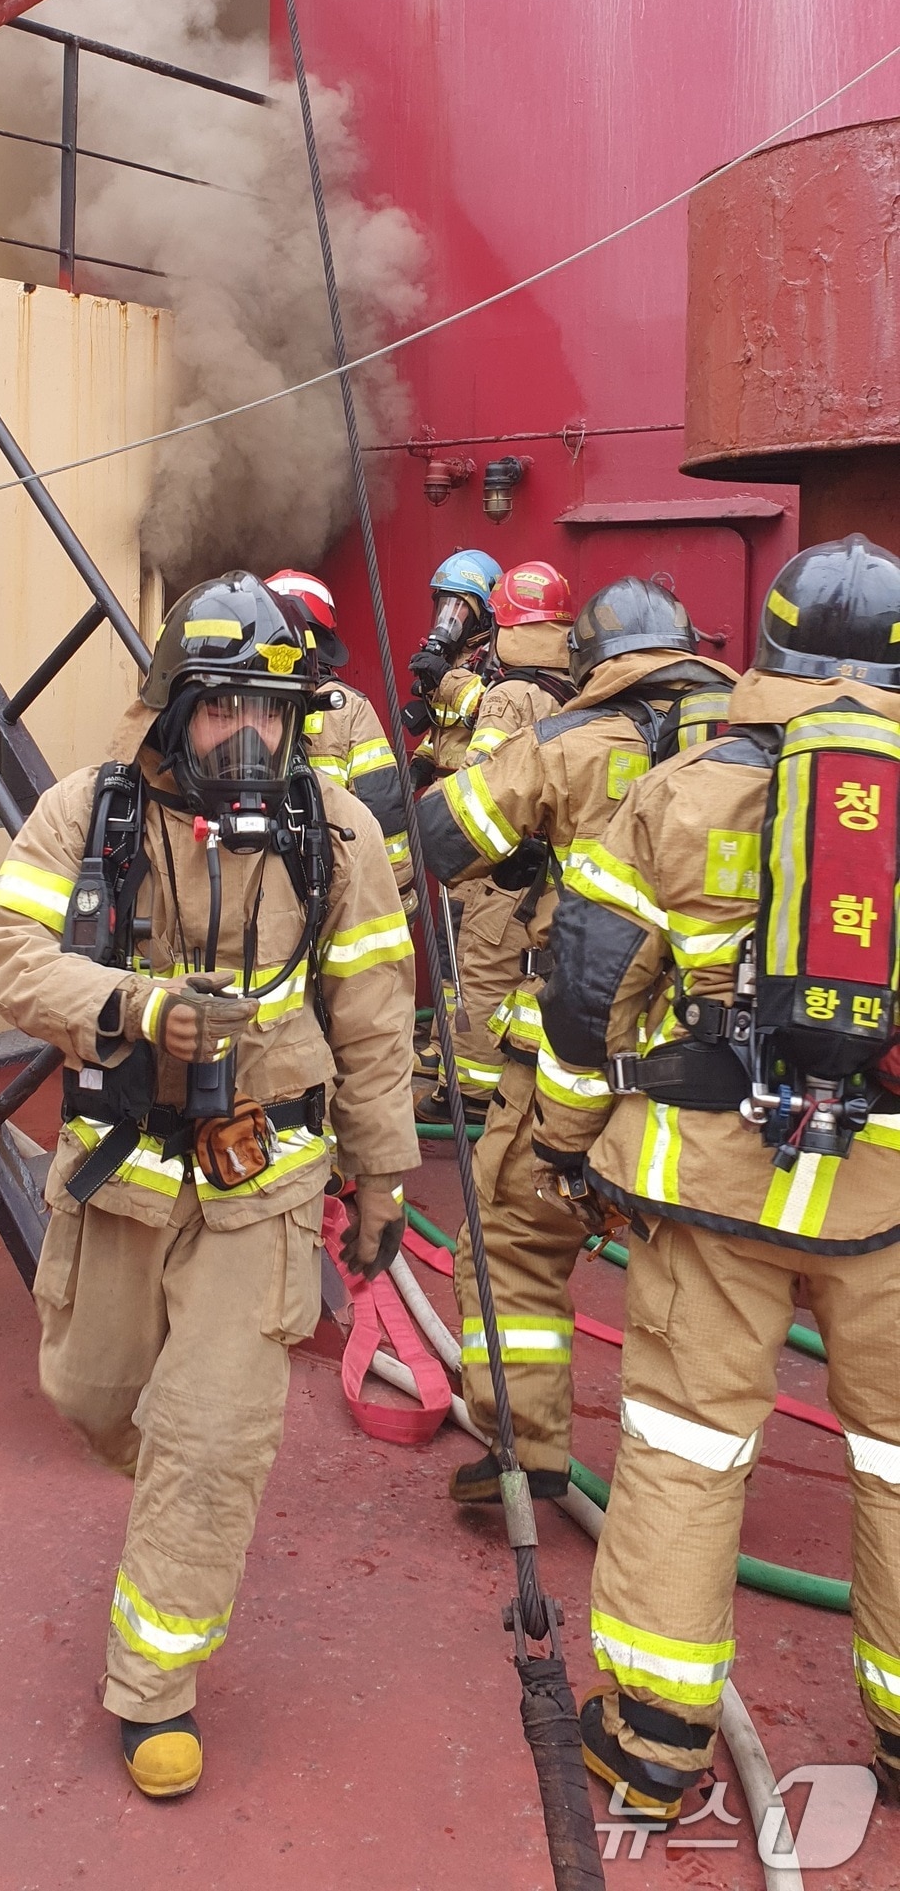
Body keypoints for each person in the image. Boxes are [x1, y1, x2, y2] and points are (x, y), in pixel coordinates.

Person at [0, 571, 419, 1801]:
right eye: (224, 709)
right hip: (117, 1174)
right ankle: (165, 1490)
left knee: (213, 1437)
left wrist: (382, 1170)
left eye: (271, 714)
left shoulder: (339, 835)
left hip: (264, 1186)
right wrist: (133, 1006)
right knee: (92, 1395)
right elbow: (5, 950)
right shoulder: (87, 810)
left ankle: (151, 1685)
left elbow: (375, 1015)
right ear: (174, 706)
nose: (250, 738)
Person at [538, 537, 900, 1819]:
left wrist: (566, 1142)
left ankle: (652, 1741)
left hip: (712, 1186)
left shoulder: (685, 786)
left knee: (686, 1447)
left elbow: (586, 994)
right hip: (888, 1205)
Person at [414, 576, 736, 1505]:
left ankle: (528, 1447)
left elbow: (441, 835)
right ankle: (691, 1466)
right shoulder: (769, 745)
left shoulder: (572, 743)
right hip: (731, 1073)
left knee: (512, 1231)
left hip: (577, 1045)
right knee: (711, 1267)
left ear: (591, 661)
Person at [426, 560, 577, 1106]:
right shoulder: (570, 687)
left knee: (479, 971)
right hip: (548, 867)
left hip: (499, 866)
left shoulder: (509, 693)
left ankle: (465, 1091)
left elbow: (486, 778)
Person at [266, 567, 411, 887]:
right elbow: (382, 805)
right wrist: (396, 890)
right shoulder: (349, 708)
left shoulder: (237, 706)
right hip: (336, 879)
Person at [405, 550, 505, 787]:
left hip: (479, 789)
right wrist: (423, 760)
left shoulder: (500, 656)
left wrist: (445, 677)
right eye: (443, 605)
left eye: (458, 605)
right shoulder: (455, 657)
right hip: (447, 788)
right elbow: (448, 730)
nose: (447, 618)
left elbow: (495, 712)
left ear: (484, 612)